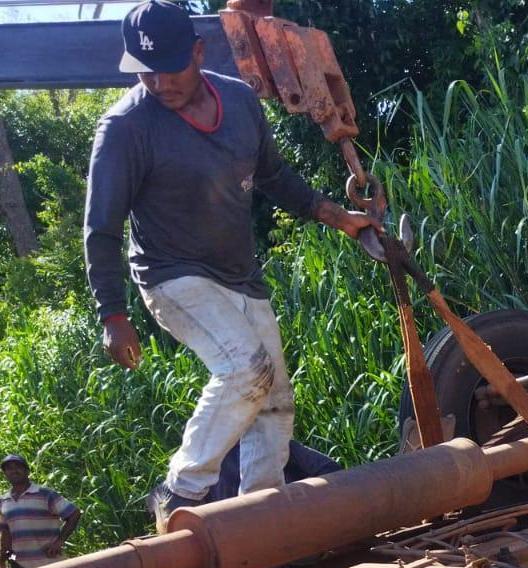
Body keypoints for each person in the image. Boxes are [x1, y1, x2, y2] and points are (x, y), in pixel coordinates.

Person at [83, 0, 375, 530]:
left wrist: (340, 217)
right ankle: (180, 492)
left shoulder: (240, 102)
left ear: (198, 52)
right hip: (172, 276)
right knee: (246, 370)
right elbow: (101, 229)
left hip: (240, 275)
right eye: (145, 70)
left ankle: (258, 517)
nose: (159, 81)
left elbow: (275, 177)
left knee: (276, 403)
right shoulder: (124, 128)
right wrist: (113, 314)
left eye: (170, 66)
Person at [1, 454, 81, 568]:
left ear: (27, 471)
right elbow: (5, 533)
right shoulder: (3, 501)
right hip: (20, 567)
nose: (14, 471)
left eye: (18, 467)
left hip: (51, 564)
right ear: (5, 474)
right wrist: (3, 559)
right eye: (9, 468)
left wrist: (59, 541)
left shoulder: (45, 494)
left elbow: (74, 513)